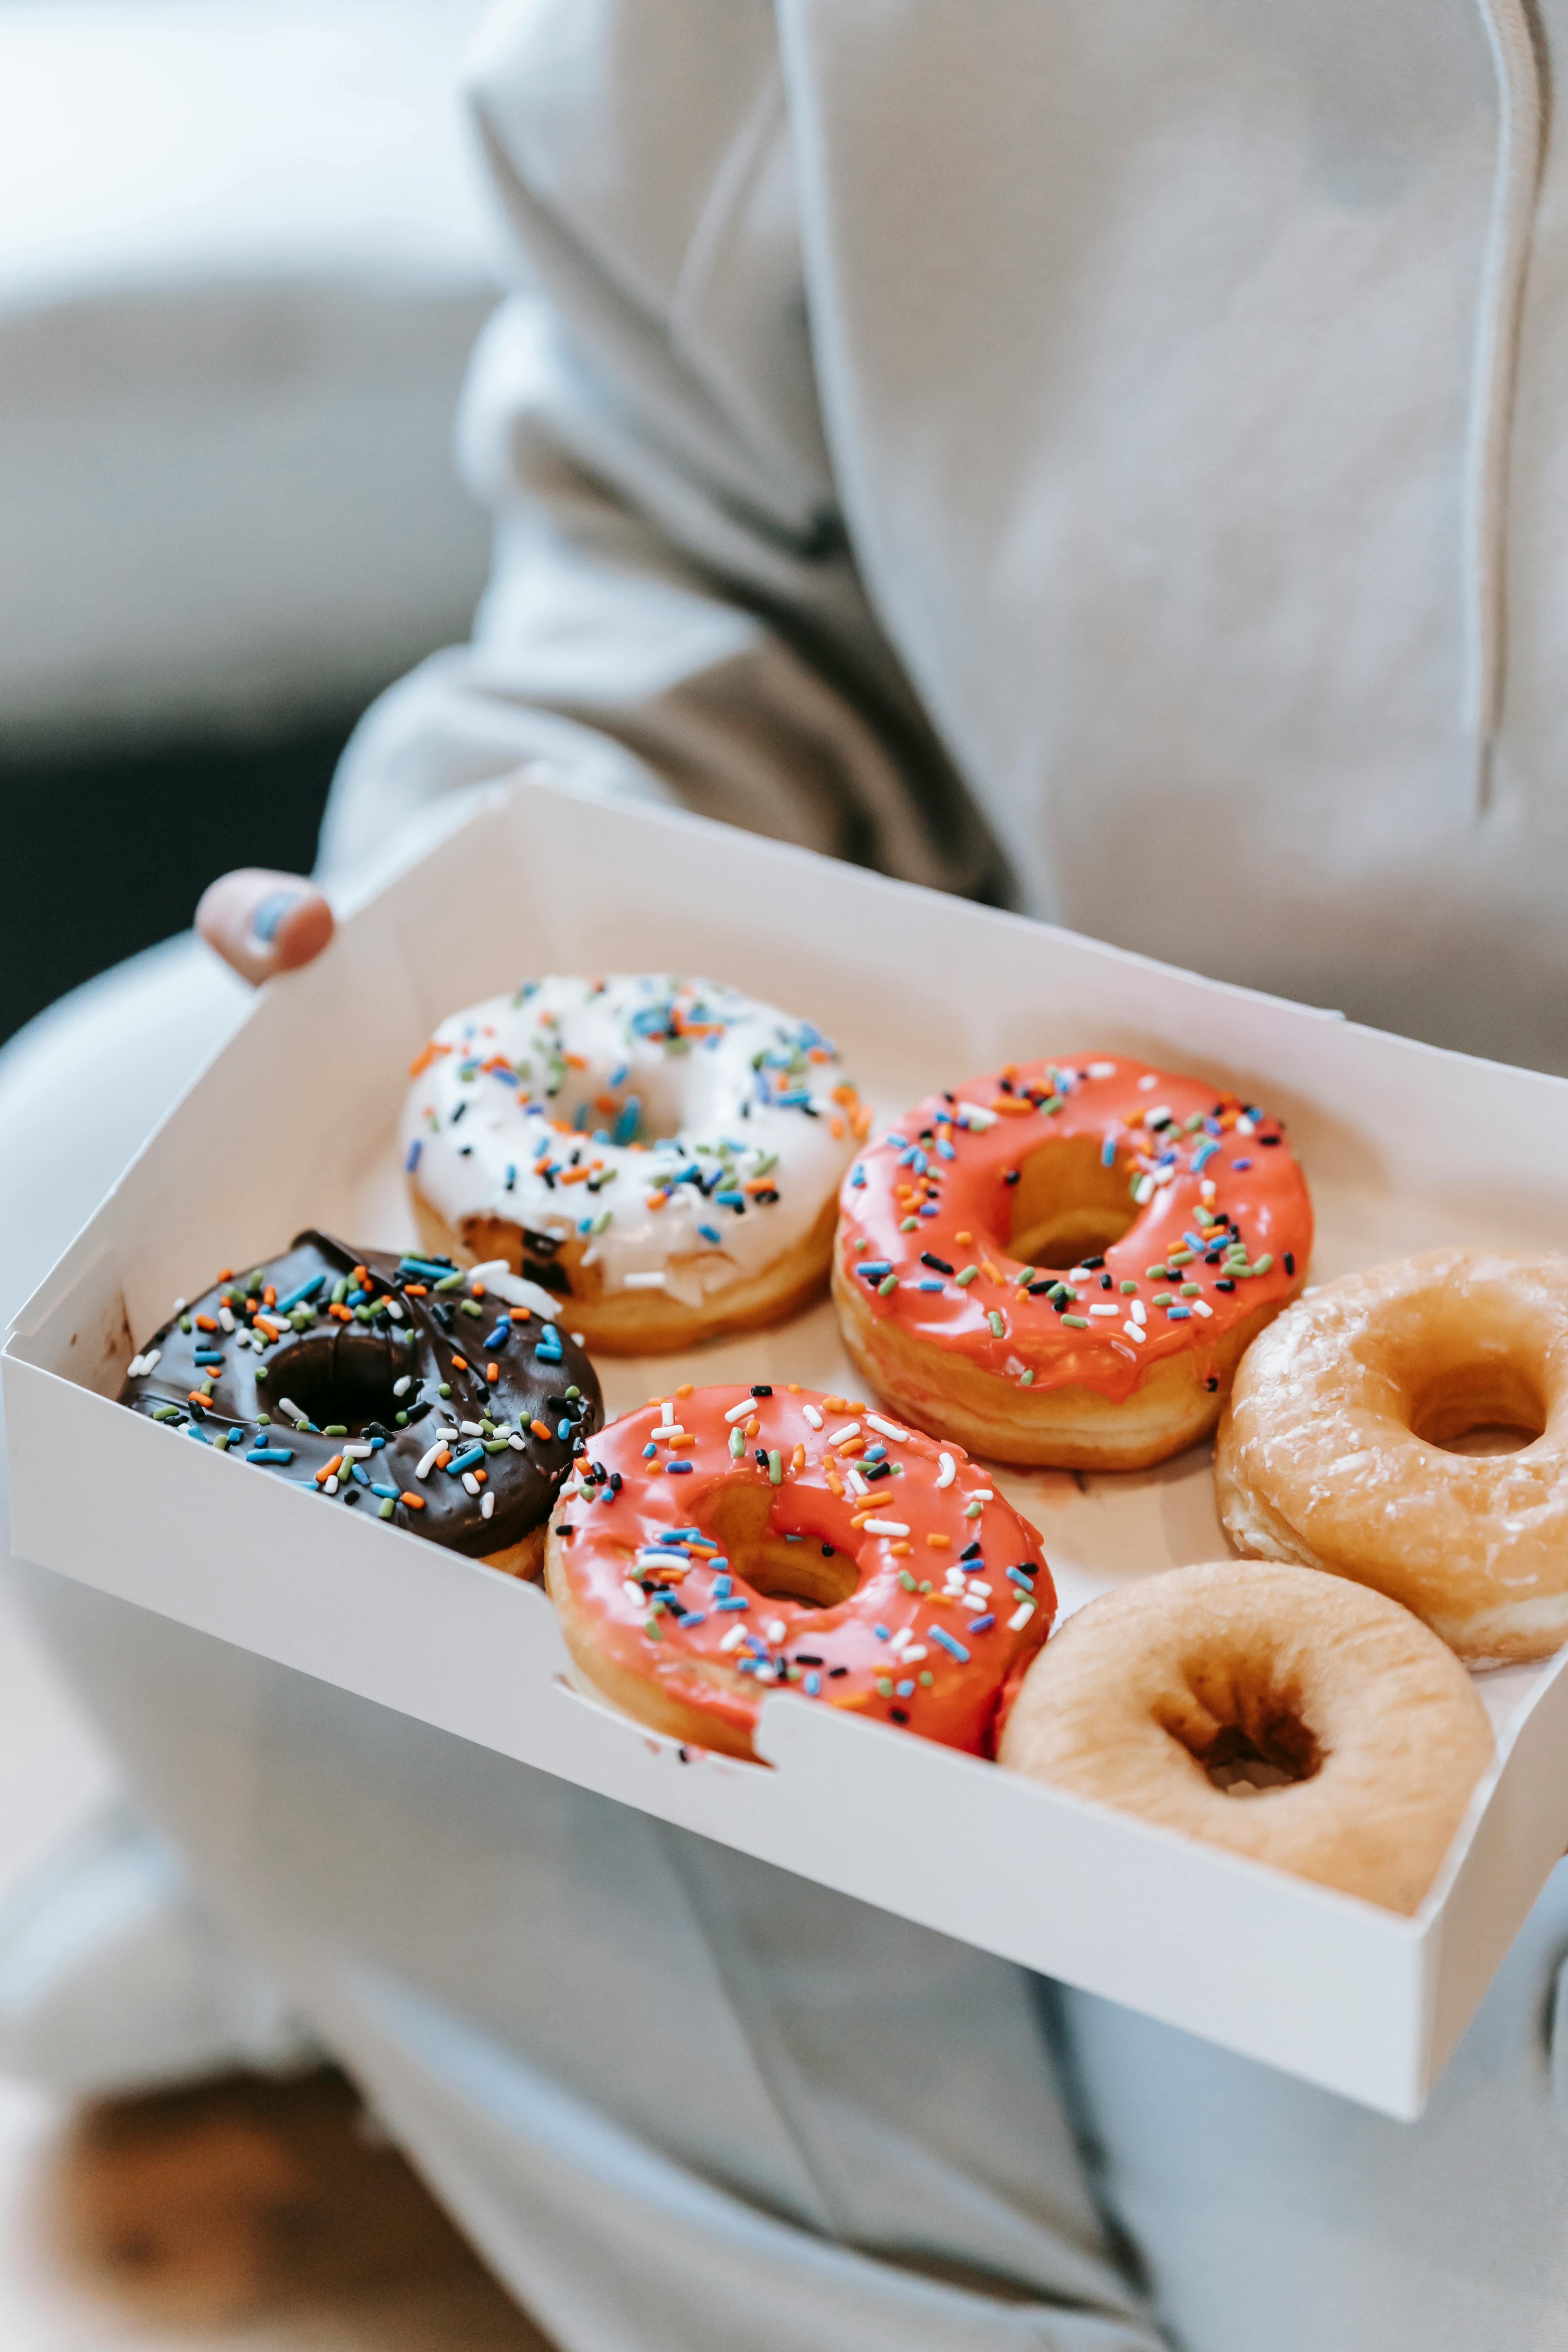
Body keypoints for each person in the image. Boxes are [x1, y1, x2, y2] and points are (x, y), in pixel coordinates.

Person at [6, 3, 1568, 2345]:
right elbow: (691, 541)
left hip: (1402, 1586)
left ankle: (366, 1925)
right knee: (79, 1142)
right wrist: (454, 899)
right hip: (1011, 1162)